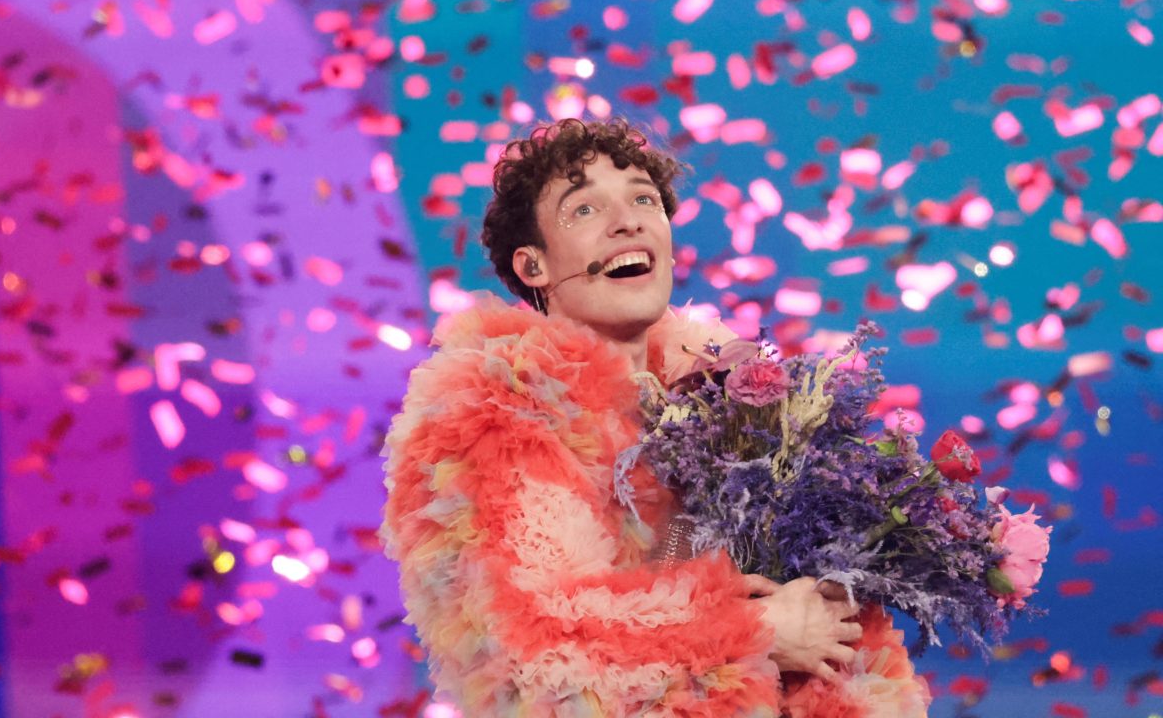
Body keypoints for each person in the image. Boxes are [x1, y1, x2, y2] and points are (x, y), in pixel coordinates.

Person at [382, 119, 929, 717]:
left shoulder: (731, 400)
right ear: (534, 267)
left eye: (644, 200)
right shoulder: (497, 410)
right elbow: (535, 641)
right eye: (584, 209)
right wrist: (756, 629)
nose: (628, 221)